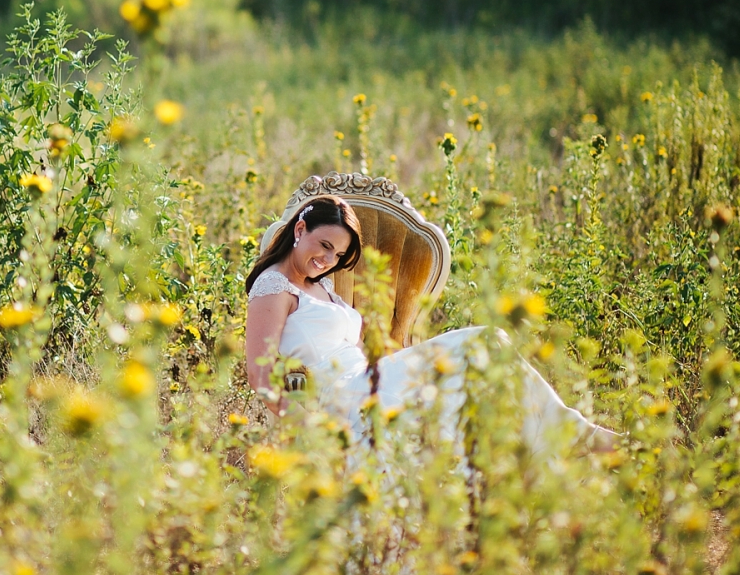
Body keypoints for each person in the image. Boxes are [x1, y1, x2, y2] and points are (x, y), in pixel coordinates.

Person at [243, 194, 618, 456]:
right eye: (324, 245)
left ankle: (561, 437)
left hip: (371, 376)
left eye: (338, 254)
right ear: (299, 229)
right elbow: (262, 375)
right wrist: (309, 427)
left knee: (489, 347)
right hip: (341, 398)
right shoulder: (273, 286)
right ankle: (572, 436)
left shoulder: (319, 285)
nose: (328, 259)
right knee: (484, 343)